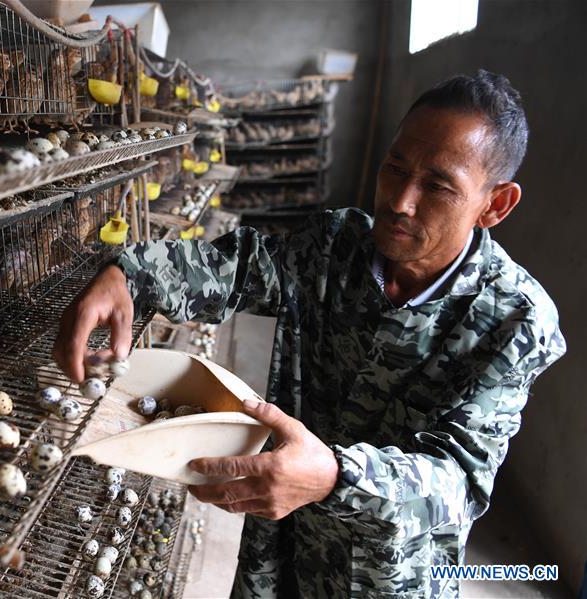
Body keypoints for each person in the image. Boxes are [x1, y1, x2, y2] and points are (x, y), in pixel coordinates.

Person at [52, 70, 567, 598]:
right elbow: (241, 267)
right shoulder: (336, 244)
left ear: (494, 204)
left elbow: (458, 482)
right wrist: (130, 276)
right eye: (394, 168)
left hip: (383, 576)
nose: (400, 201)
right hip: (281, 551)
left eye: (437, 186)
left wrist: (335, 477)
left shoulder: (515, 321)